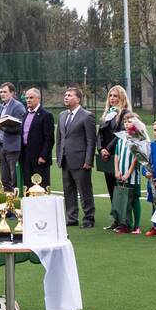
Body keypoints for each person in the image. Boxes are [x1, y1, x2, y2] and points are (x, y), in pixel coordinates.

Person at [57, 86, 96, 229]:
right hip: (66, 159)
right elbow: (60, 138)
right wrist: (59, 156)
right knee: (68, 190)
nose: (66, 97)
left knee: (84, 190)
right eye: (65, 95)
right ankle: (71, 217)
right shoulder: (62, 115)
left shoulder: (87, 116)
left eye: (69, 95)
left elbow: (91, 140)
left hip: (80, 161)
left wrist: (88, 161)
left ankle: (89, 218)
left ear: (78, 99)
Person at [96, 86, 128, 225]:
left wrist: (108, 149)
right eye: (111, 96)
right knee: (110, 187)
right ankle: (116, 218)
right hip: (105, 156)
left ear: (121, 98)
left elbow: (121, 134)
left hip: (118, 154)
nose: (113, 99)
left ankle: (123, 219)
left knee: (120, 187)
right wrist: (101, 149)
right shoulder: (107, 114)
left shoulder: (124, 114)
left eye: (115, 96)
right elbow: (99, 134)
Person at [113, 112, 143, 234]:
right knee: (124, 199)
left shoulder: (138, 138)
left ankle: (136, 226)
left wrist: (128, 174)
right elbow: (116, 154)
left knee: (134, 199)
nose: (126, 124)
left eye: (129, 121)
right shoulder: (121, 138)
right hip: (120, 173)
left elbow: (137, 157)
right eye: (125, 122)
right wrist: (116, 170)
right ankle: (125, 224)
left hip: (132, 176)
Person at [20, 87, 54, 189]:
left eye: (31, 97)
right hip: (26, 155)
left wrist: (43, 156)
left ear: (38, 99)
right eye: (27, 98)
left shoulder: (46, 115)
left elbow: (49, 138)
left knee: (41, 186)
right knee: (28, 185)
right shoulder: (25, 114)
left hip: (39, 157)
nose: (28, 100)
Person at [0, 82, 25, 191]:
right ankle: (8, 204)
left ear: (12, 93)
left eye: (5, 92)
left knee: (14, 178)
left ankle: (16, 204)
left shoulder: (18, 106)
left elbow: (20, 127)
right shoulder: (1, 107)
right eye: (1, 92)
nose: (2, 94)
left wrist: (1, 126)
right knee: (4, 178)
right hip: (2, 147)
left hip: (13, 147)